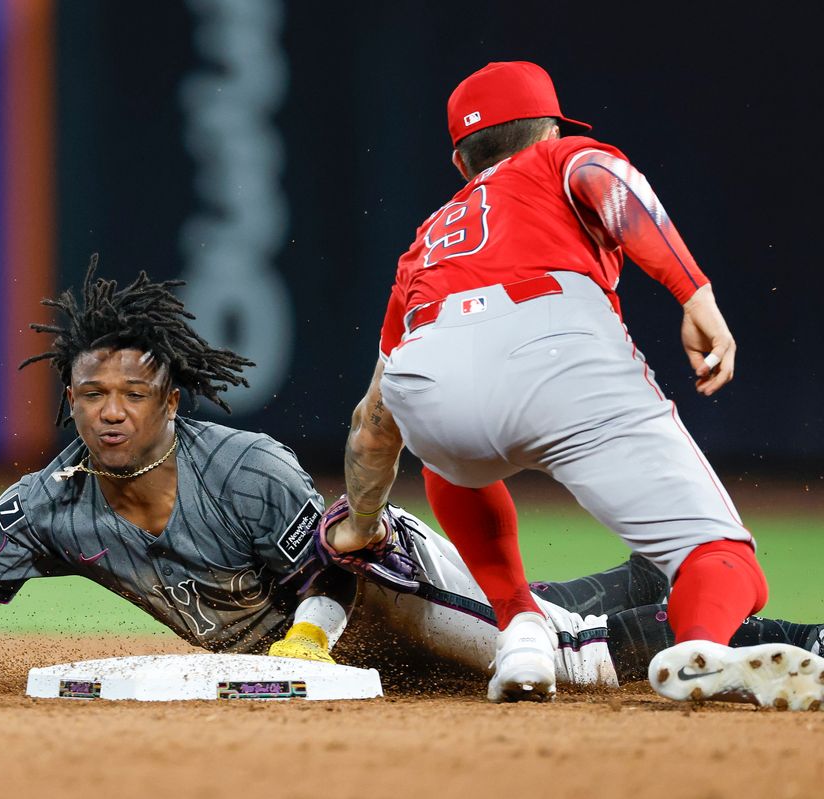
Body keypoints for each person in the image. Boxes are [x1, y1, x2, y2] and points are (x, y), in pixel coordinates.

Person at [0, 259, 823, 702]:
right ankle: (648, 573)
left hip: (388, 588)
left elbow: (349, 560)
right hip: (346, 651)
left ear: (170, 401)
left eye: (132, 394)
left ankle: (799, 642)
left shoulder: (243, 470)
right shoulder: (53, 503)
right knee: (576, 613)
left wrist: (300, 649)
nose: (109, 411)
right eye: (90, 395)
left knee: (568, 658)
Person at [328, 60, 823, 708]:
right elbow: (608, 179)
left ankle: (521, 624)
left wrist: (361, 523)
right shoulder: (555, 160)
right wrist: (692, 289)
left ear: (461, 164)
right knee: (722, 554)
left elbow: (375, 421)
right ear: (550, 130)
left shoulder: (425, 244)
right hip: (558, 345)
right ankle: (698, 645)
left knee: (451, 461)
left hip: (431, 371)